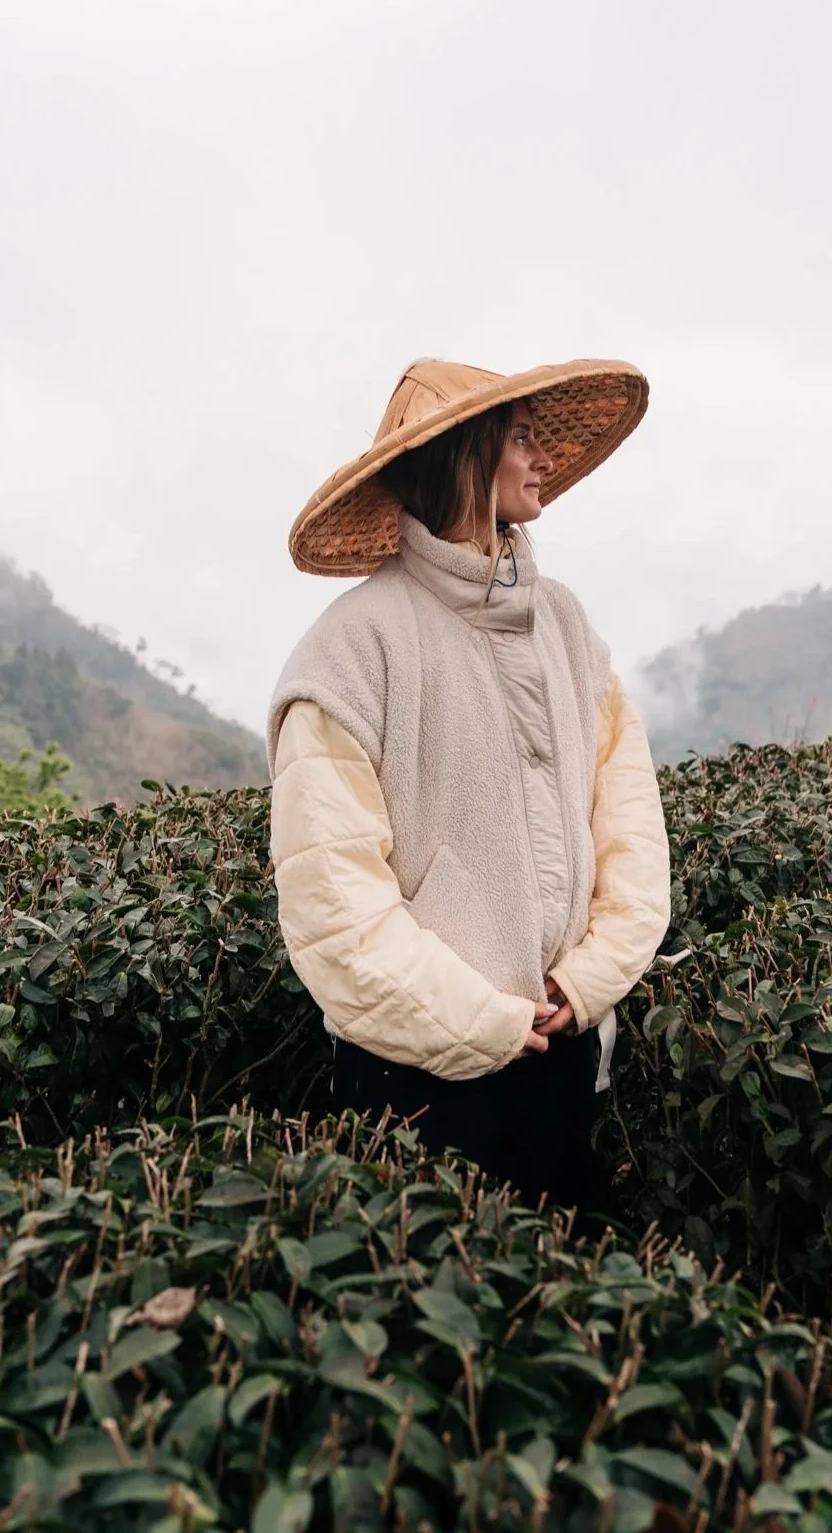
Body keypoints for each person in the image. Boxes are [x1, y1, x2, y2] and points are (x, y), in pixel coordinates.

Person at [267, 357, 670, 1219]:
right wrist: (482, 1022)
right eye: (522, 437)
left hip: (560, 1049)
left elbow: (628, 824)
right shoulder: (351, 651)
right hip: (415, 1078)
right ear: (465, 453)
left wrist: (584, 980)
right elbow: (333, 903)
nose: (545, 459)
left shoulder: (565, 624)